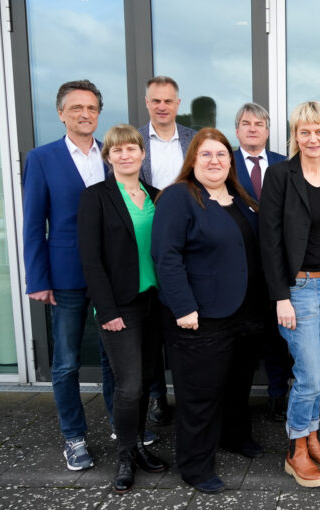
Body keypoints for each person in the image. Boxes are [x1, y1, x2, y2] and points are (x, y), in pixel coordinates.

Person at [152, 128, 262, 494]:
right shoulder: (178, 197)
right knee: (200, 393)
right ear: (193, 160)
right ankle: (195, 467)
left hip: (243, 312)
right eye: (207, 155)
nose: (215, 161)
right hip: (200, 315)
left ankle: (234, 436)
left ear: (230, 162)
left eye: (221, 155)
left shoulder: (239, 197)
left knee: (236, 383)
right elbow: (166, 257)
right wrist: (183, 306)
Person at [22, 79, 115, 471]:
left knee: (115, 358)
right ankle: (74, 437)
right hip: (65, 275)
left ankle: (119, 424)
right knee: (66, 362)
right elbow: (32, 223)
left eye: (91, 108)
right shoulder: (42, 158)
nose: (85, 114)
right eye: (76, 107)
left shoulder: (112, 156)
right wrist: (37, 278)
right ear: (61, 113)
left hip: (111, 274)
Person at [259, 101, 320, 488]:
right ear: (295, 135)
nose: (313, 138)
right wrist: (281, 296)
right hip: (300, 289)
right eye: (305, 131)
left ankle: (312, 439)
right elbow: (270, 240)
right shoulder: (279, 175)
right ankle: (296, 450)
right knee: (309, 375)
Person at [77, 124, 168, 492]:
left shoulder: (157, 196)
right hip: (120, 306)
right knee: (128, 385)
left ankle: (139, 444)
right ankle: (126, 456)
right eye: (118, 150)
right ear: (109, 156)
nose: (125, 155)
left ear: (142, 154)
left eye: (132, 149)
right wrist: (107, 309)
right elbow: (91, 259)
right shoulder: (96, 197)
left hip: (155, 302)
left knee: (146, 379)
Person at [137, 75, 197, 427]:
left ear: (178, 104)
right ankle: (158, 395)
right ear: (147, 103)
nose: (162, 106)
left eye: (168, 100)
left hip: (187, 241)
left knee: (181, 319)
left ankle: (186, 395)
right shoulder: (134, 140)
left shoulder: (191, 139)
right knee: (150, 328)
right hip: (144, 238)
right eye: (155, 100)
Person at [232, 102, 290, 422]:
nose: (252, 128)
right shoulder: (223, 162)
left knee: (277, 336)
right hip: (239, 267)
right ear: (237, 130)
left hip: (277, 266)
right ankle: (237, 402)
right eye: (245, 123)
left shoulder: (284, 165)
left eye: (259, 123)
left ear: (268, 131)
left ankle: (277, 394)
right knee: (243, 337)